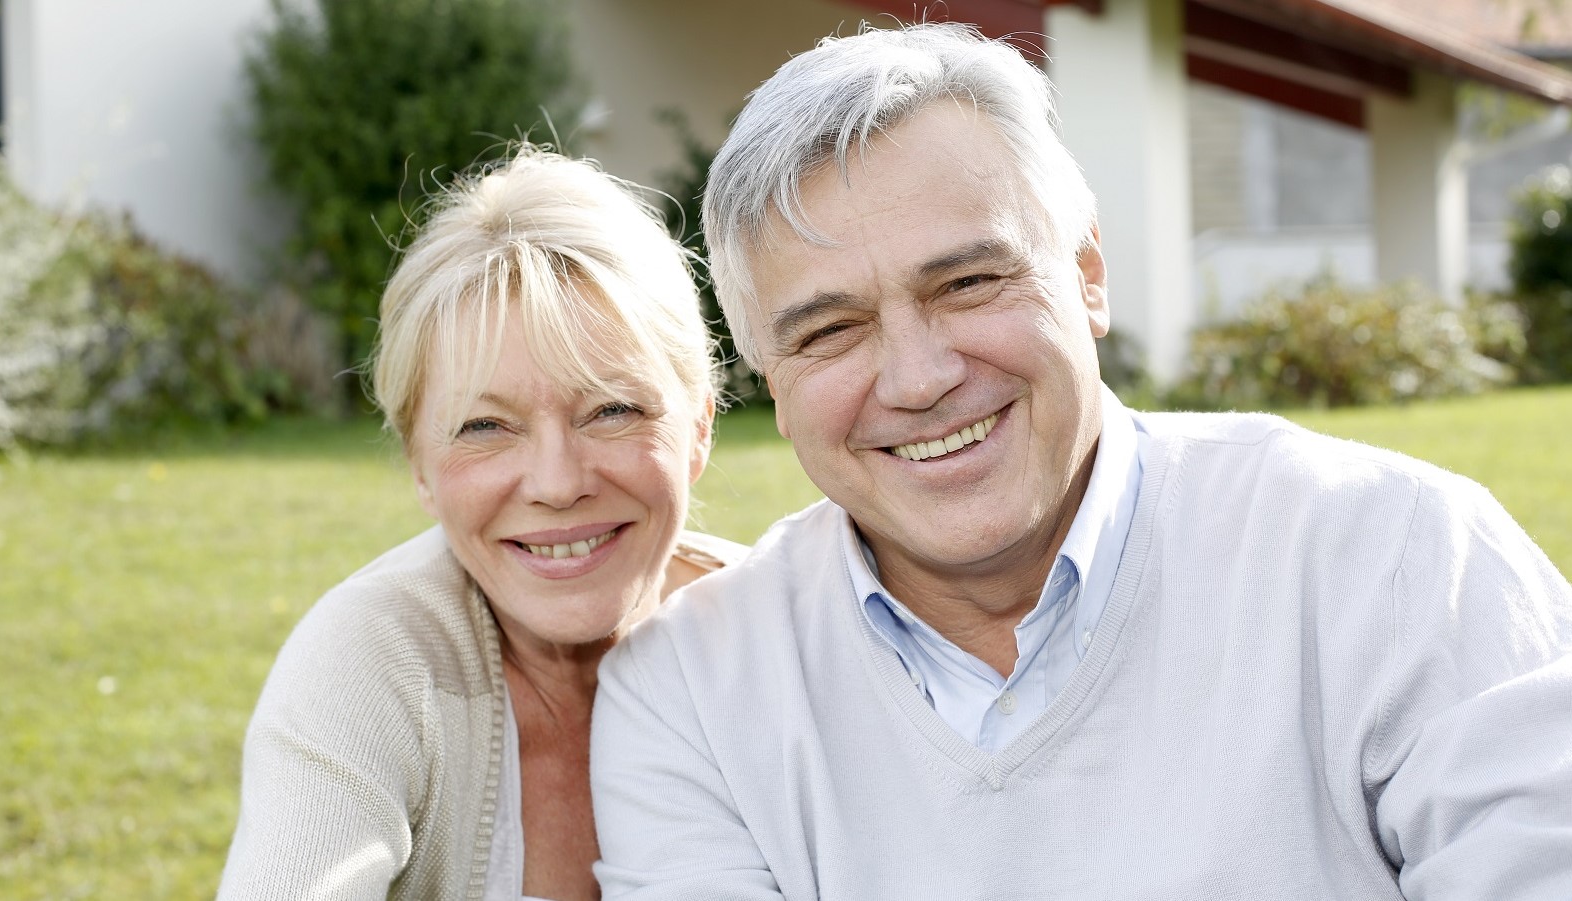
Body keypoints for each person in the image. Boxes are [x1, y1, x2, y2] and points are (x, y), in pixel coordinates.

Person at [590, 23, 1572, 900]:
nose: (920, 377)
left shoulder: (1397, 559)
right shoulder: (692, 696)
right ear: (770, 375)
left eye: (969, 282)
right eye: (830, 331)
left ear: (1088, 273)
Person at [217, 148, 741, 901]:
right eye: (486, 425)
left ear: (698, 428)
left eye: (612, 410)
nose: (558, 484)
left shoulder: (786, 641)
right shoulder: (373, 662)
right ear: (419, 465)